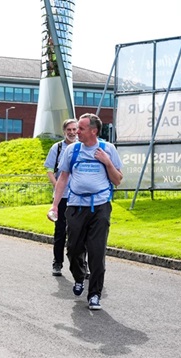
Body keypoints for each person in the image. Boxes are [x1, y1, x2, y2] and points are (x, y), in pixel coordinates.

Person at [49, 113, 123, 310]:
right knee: (73, 249)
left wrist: (107, 162)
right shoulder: (72, 150)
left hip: (100, 207)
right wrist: (55, 205)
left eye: (80, 129)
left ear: (93, 131)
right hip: (75, 206)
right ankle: (79, 276)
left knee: (97, 252)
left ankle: (95, 294)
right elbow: (63, 178)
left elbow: (117, 180)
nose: (76, 132)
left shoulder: (108, 149)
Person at [44, 119, 78, 276]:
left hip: (78, 197)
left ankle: (80, 265)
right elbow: (50, 169)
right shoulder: (57, 148)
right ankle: (57, 262)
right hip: (62, 197)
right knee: (60, 232)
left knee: (79, 232)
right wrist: (58, 185)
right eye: (68, 130)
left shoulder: (81, 147)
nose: (71, 132)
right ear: (64, 131)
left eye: (74, 129)